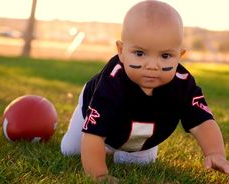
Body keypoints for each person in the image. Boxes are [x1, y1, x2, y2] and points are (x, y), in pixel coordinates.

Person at [61, 0, 229, 182]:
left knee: (137, 162)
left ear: (179, 56)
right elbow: (94, 134)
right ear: (121, 51)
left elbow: (202, 122)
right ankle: (107, 146)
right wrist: (99, 175)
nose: (152, 65)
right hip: (95, 114)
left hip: (146, 132)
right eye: (140, 53)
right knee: (71, 150)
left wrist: (215, 152)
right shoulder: (112, 82)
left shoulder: (183, 84)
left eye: (165, 56)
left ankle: (125, 150)